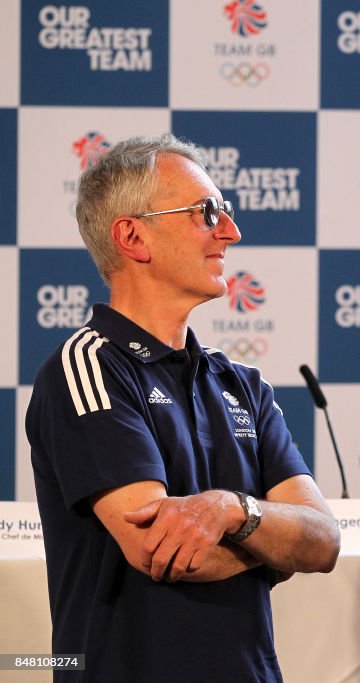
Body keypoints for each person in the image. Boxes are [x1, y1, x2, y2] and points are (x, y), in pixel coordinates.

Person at [26, 134, 341, 682]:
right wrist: (273, 549)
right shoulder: (86, 368)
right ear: (133, 236)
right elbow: (162, 551)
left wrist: (231, 510)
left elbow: (322, 541)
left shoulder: (242, 383)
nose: (231, 232)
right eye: (206, 212)